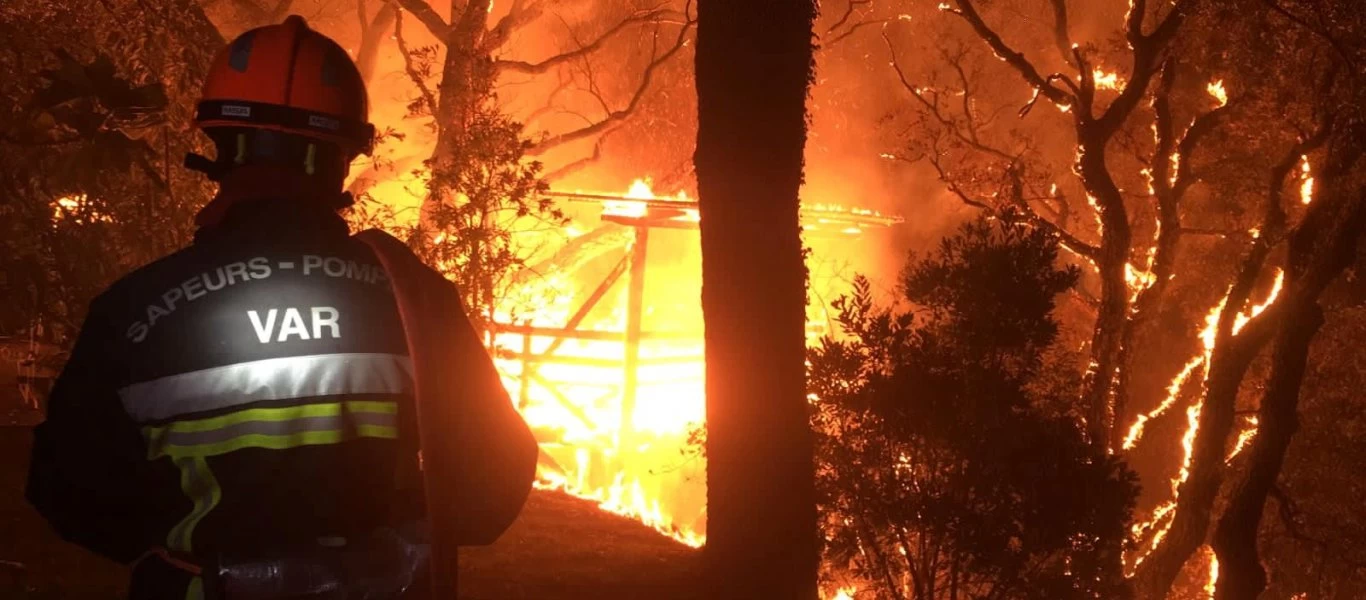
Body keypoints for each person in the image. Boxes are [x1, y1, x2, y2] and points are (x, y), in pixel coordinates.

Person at [25, 15, 537, 600]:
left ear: (218, 147)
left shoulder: (132, 310)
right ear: (344, 158)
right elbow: (490, 489)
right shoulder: (417, 300)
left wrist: (188, 540)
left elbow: (66, 492)